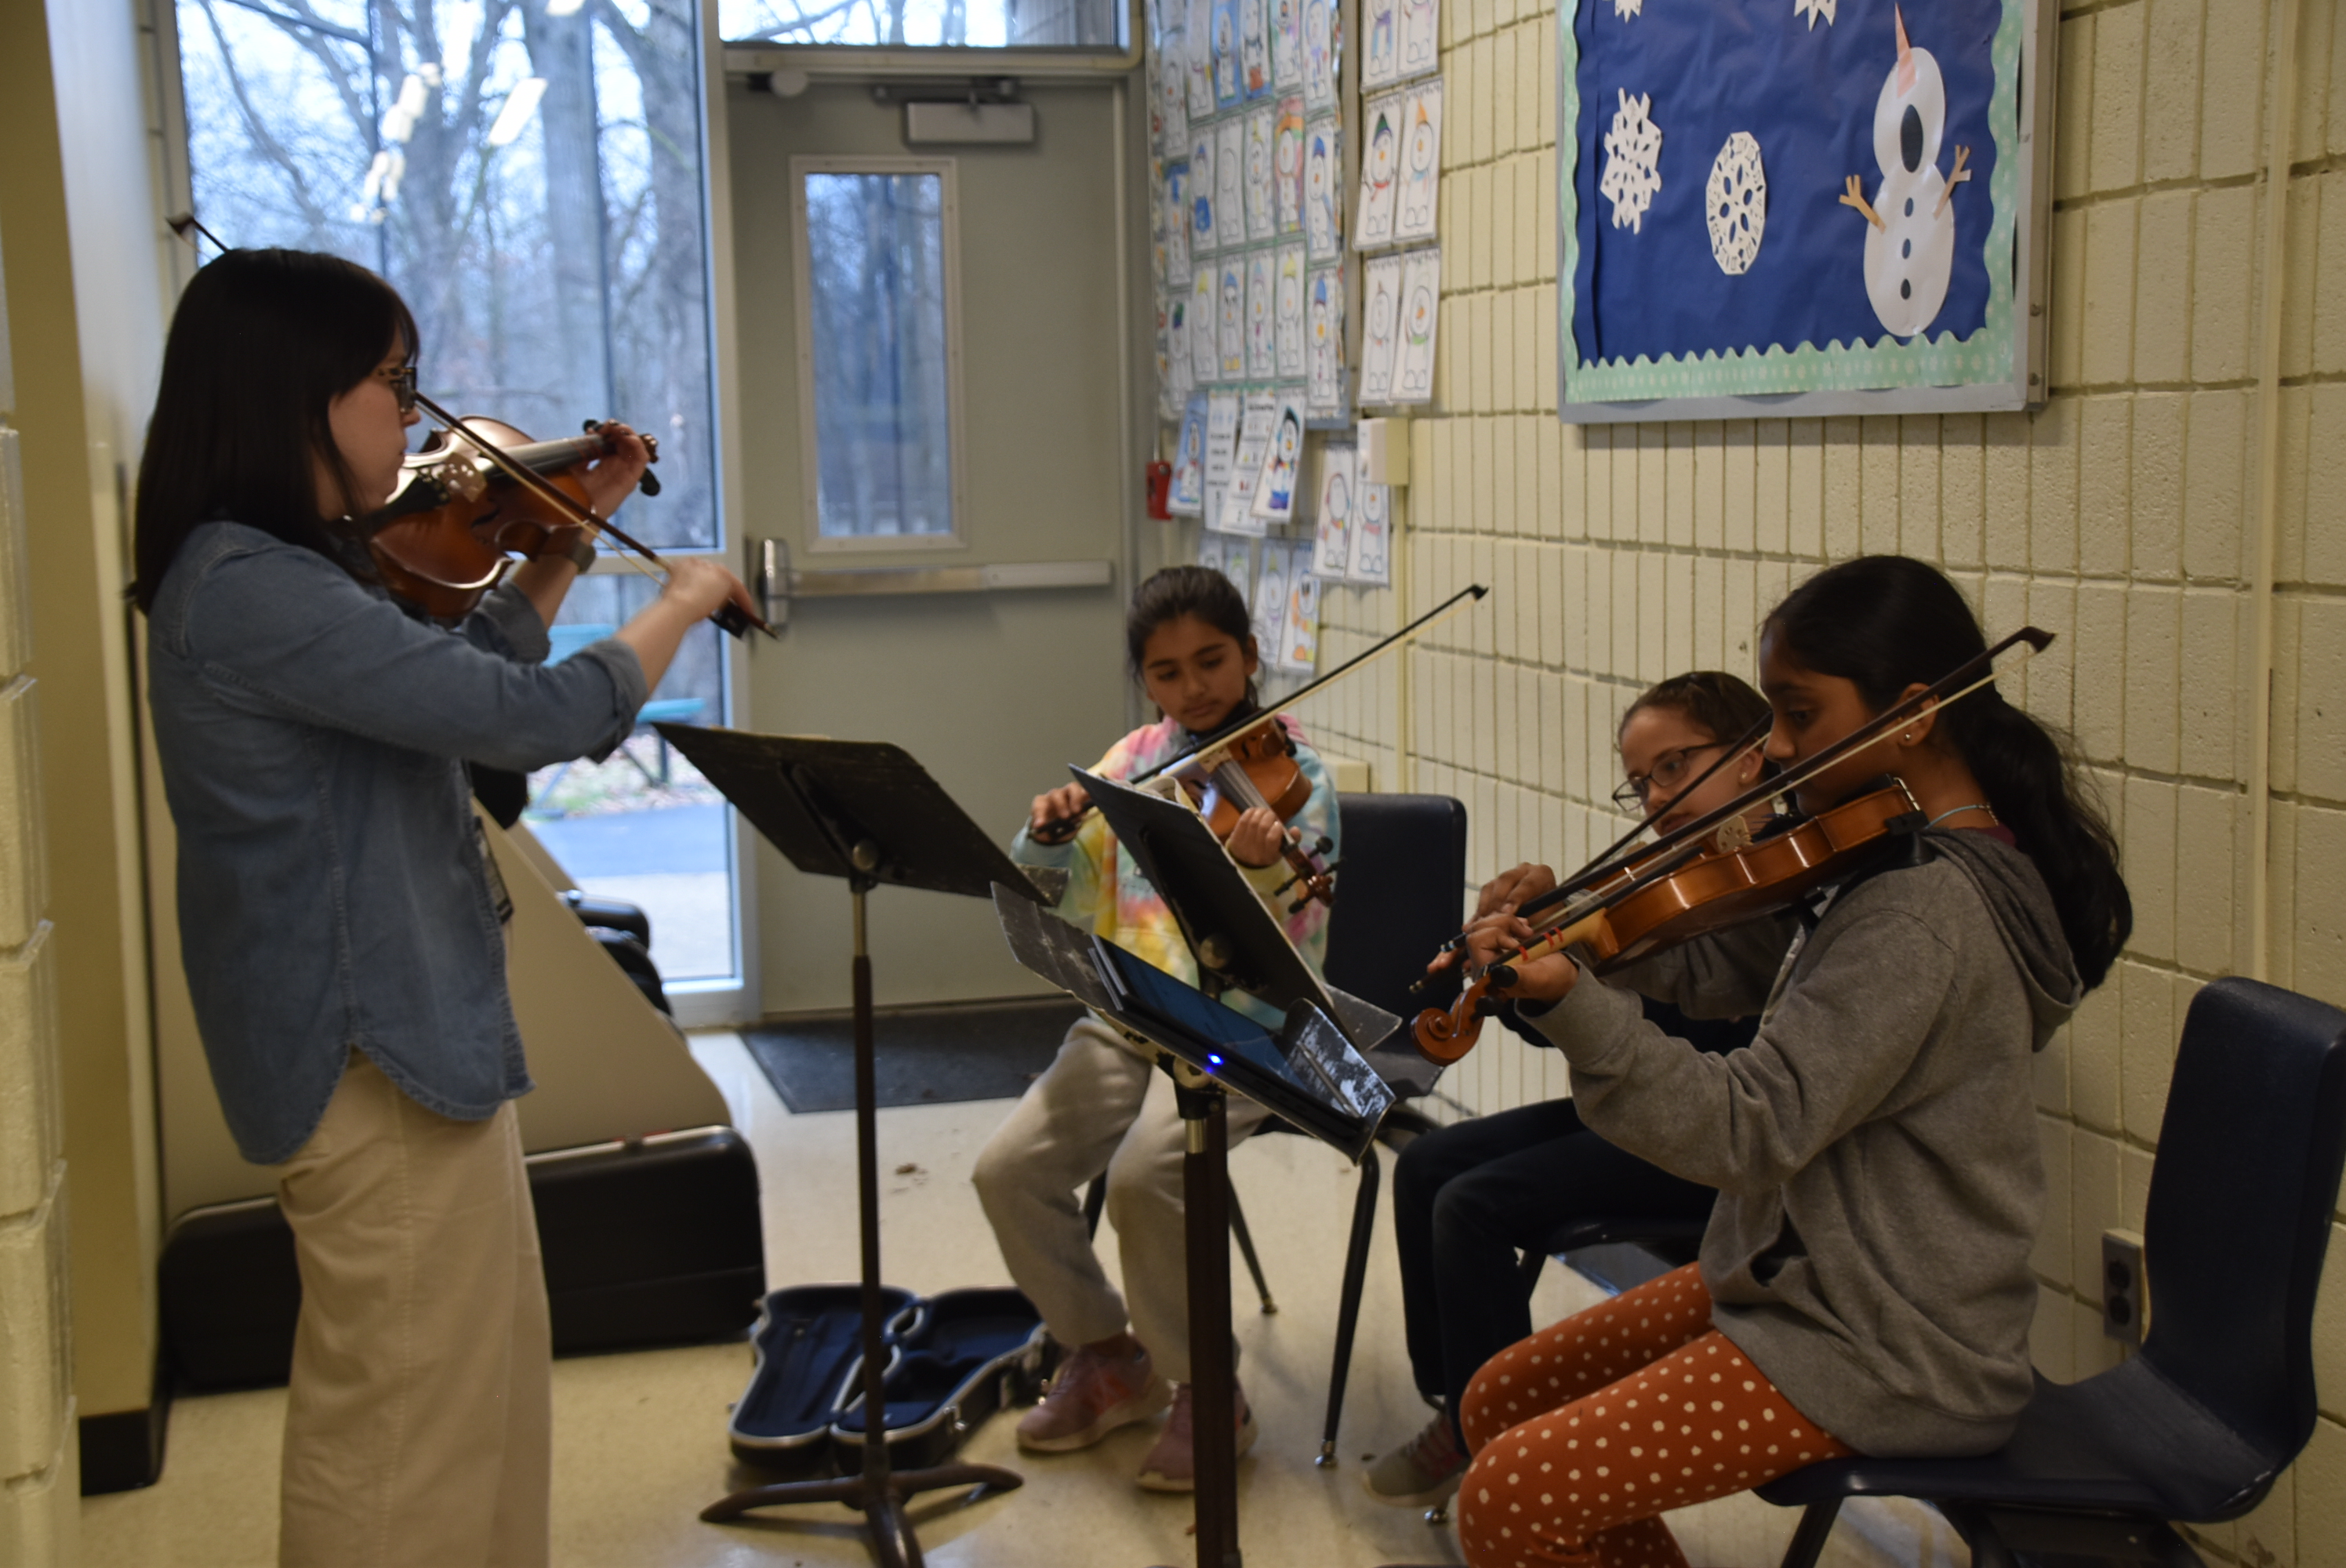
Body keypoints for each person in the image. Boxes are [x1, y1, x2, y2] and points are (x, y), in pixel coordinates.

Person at [134, 248, 757, 1568]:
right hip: (368, 1053)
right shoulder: (249, 587)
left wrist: (556, 554)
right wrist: (679, 602)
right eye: (389, 382)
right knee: (398, 1434)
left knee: (471, 1398)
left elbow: (455, 680)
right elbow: (529, 724)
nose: (414, 418)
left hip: (410, 1039)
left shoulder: (295, 573)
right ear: (290, 392)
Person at [1445, 556, 2130, 1568]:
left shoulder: (1923, 913)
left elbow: (1747, 1127)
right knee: (1499, 1398)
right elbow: (1732, 962)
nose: (1774, 750)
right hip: (1814, 1279)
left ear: (1909, 715)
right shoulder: (1892, 860)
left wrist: (1576, 1001)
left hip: (1886, 1346)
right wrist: (1577, 934)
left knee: (1512, 1499)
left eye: (1798, 715)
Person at [1363, 671, 1778, 1510]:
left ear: (1753, 756)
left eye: (1677, 766)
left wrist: (1578, 959)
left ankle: (1514, 1448)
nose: (1658, 797)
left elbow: (1708, 1037)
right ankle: (1463, 1407)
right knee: (1425, 1163)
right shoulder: (1665, 876)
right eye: (1643, 780)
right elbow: (1585, 1020)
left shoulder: (1786, 886)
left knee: (1472, 1203)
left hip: (1722, 1131)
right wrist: (1519, 968)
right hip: (1643, 1103)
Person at [971, 564, 1338, 1492]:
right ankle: (1105, 1351)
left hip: (1247, 1027)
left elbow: (1292, 936)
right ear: (1146, 681)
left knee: (1144, 1175)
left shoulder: (1299, 777)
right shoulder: (1133, 758)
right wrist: (1046, 836)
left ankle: (1207, 1390)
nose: (1194, 688)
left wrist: (1254, 870)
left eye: (1211, 661)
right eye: (1167, 672)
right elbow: (1068, 894)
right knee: (1007, 1168)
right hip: (1131, 1015)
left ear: (1251, 655)